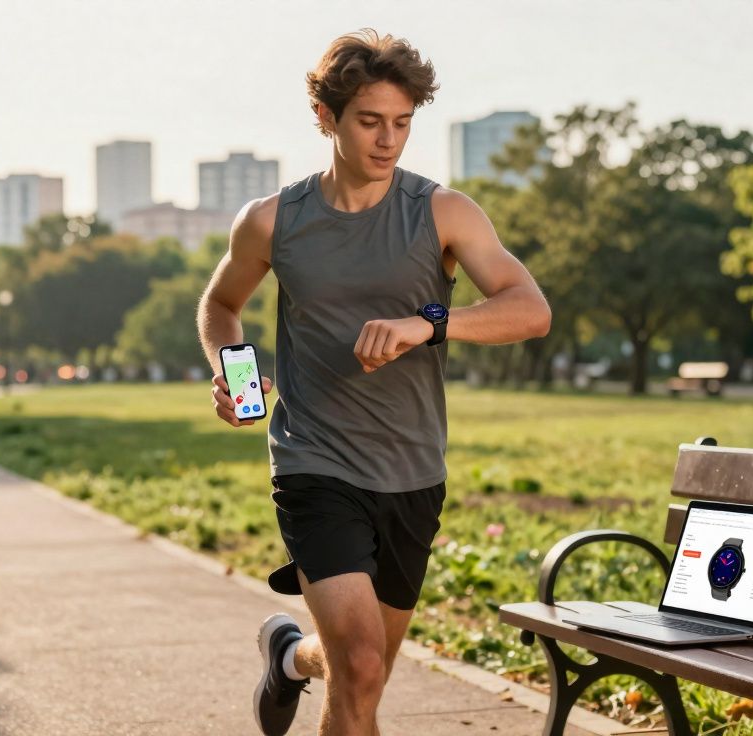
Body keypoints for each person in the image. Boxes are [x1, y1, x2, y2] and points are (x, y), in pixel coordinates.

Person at [195, 29, 550, 736]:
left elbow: (530, 310)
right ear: (325, 117)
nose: (388, 140)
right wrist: (235, 373)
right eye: (369, 121)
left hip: (412, 471)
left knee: (362, 670)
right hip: (314, 462)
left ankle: (289, 656)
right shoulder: (272, 221)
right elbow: (221, 305)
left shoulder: (442, 212)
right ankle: (306, 657)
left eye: (402, 122)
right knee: (359, 667)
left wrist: (430, 323)